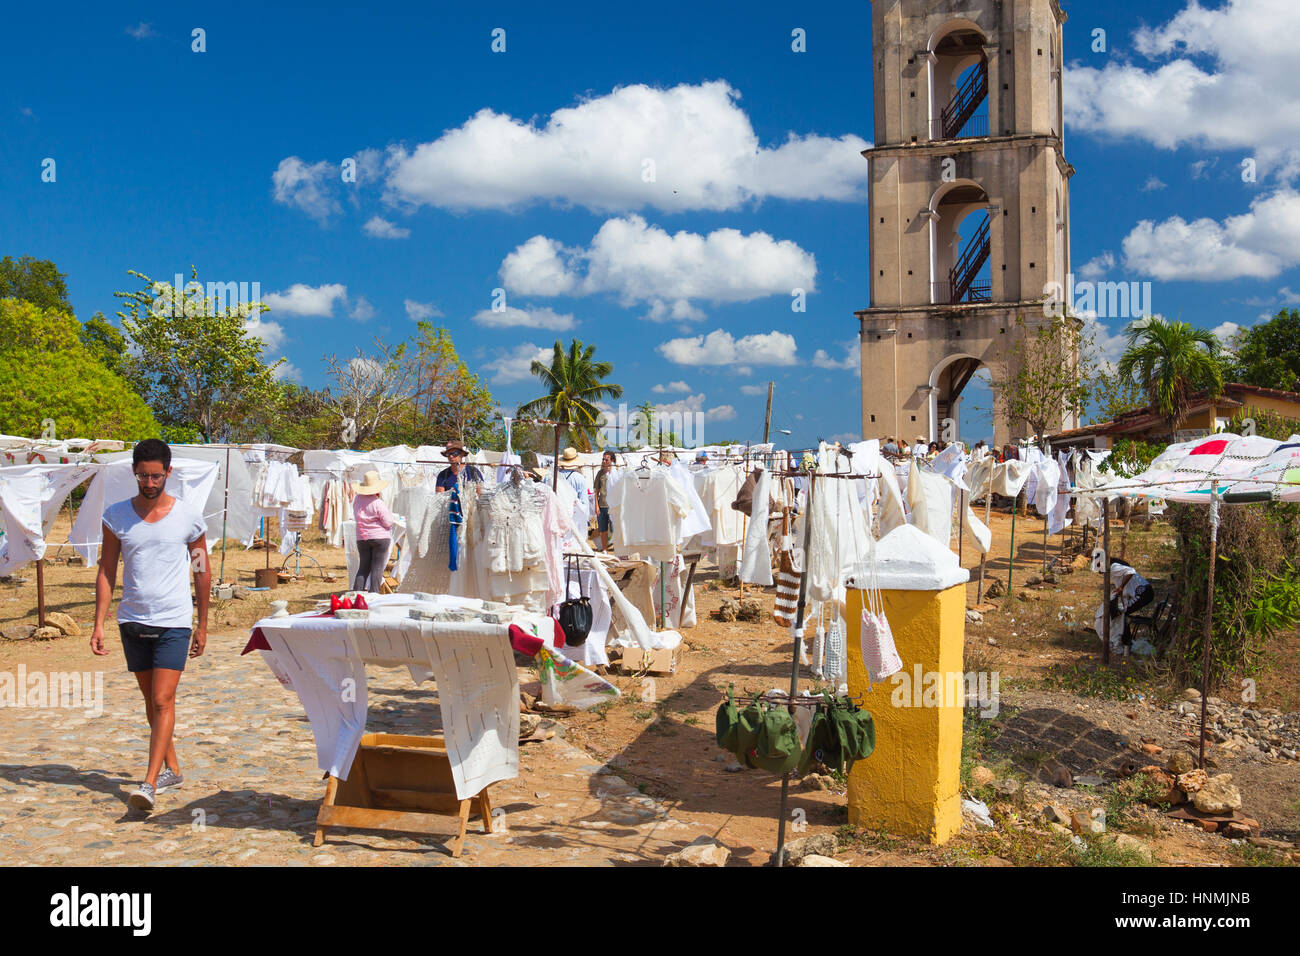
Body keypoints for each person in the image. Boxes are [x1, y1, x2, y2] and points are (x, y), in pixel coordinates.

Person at [90, 439, 210, 813]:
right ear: (134, 473)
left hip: (174, 620)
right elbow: (107, 570)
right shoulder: (116, 516)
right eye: (143, 475)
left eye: (156, 475)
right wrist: (99, 623)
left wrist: (203, 622)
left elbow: (201, 569)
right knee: (152, 701)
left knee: (162, 699)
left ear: (168, 473)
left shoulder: (188, 517)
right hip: (133, 619)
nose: (150, 482)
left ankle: (150, 782)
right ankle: (172, 767)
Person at [351, 470, 395, 592]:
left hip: (362, 538)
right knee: (377, 568)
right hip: (380, 538)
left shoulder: (357, 500)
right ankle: (374, 594)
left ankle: (357, 593)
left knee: (363, 568)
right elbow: (388, 522)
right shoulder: (377, 503)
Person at [557, 447, 594, 537]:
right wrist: (586, 519)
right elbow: (584, 501)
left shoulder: (552, 476)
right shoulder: (579, 478)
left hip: (557, 515)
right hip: (574, 516)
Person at [593, 451, 617, 551]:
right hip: (602, 505)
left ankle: (617, 548)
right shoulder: (600, 473)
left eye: (606, 459)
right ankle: (604, 549)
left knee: (615, 529)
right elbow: (596, 491)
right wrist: (596, 505)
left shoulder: (616, 473)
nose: (604, 461)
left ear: (612, 460)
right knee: (603, 530)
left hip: (613, 506)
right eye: (603, 459)